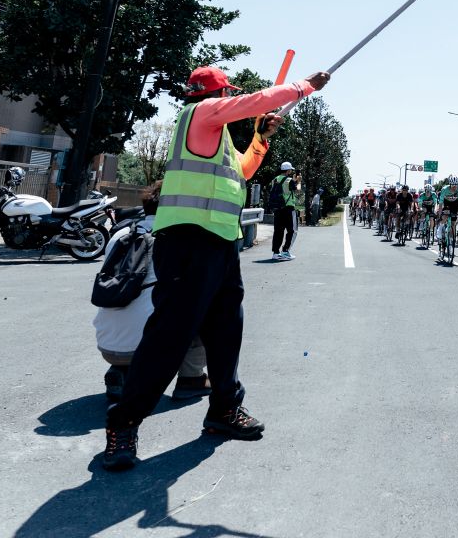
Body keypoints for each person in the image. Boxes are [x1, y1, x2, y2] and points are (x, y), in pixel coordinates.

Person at [102, 64, 329, 472]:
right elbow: (254, 102)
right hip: (188, 242)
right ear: (219, 94)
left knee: (226, 333)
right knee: (169, 337)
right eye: (228, 94)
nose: (230, 99)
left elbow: (242, 171)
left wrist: (260, 139)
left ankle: (224, 409)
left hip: (221, 244)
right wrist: (303, 88)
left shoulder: (214, 134)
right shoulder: (199, 114)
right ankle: (124, 423)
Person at [94, 182, 210, 403]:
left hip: (107, 344)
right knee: (204, 307)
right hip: (150, 347)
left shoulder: (121, 236)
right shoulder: (178, 239)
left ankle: (123, 371)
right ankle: (192, 378)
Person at [270, 162, 301, 259]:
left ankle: (275, 253)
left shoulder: (275, 180)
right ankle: (285, 250)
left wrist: (294, 181)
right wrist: (299, 182)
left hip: (278, 209)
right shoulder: (289, 180)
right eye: (290, 170)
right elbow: (297, 190)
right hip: (288, 208)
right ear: (288, 170)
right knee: (292, 231)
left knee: (278, 231)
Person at [435, 176, 458, 247]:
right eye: (453, 185)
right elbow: (441, 203)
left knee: (453, 224)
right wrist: (440, 213)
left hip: (455, 203)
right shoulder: (444, 189)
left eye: (456, 185)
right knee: (445, 216)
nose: (454, 187)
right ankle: (440, 228)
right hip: (446, 203)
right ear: (450, 184)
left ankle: (451, 239)